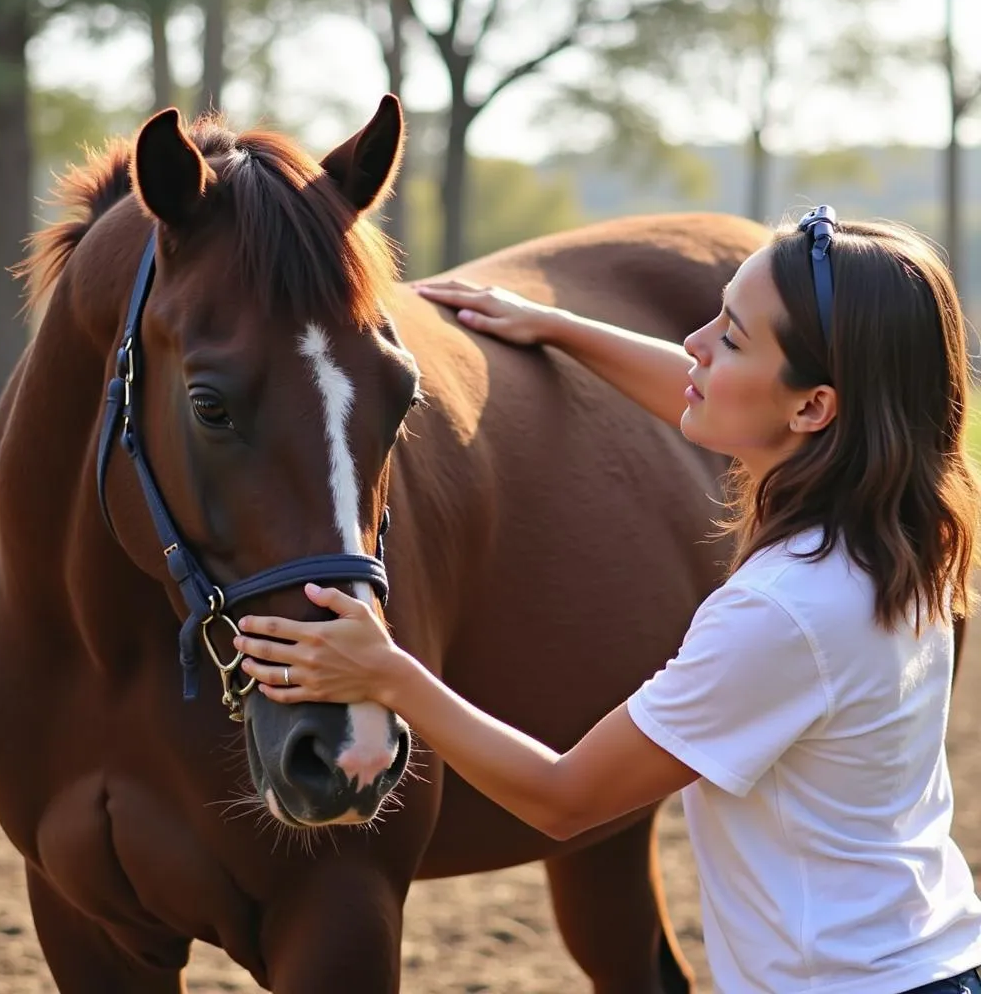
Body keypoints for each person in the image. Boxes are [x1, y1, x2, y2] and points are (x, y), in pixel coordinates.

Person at [234, 207, 981, 994]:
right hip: (927, 957)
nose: (695, 345)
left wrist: (388, 675)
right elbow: (701, 390)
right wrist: (560, 328)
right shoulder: (899, 533)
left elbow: (565, 798)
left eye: (729, 338)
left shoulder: (782, 613)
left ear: (811, 408)